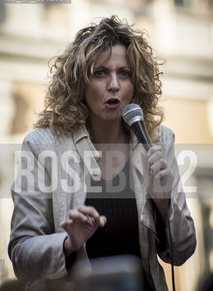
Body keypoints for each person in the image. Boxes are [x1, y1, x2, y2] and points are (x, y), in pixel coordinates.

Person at [8, 15, 196, 291]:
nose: (114, 84)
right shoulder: (42, 146)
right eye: (100, 73)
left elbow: (182, 251)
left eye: (124, 73)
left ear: (136, 84)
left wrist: (163, 202)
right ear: (79, 83)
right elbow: (21, 256)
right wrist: (68, 242)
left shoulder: (157, 140)